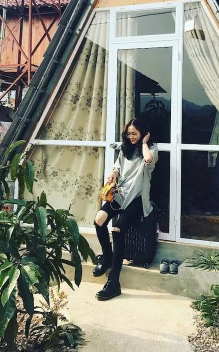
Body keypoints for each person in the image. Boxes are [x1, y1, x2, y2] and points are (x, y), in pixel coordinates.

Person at [93, 117, 158, 301]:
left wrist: (144, 142)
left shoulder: (151, 149)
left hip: (136, 198)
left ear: (143, 133)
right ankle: (107, 256)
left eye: (134, 133)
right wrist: (113, 173)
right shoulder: (125, 149)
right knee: (99, 220)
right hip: (120, 194)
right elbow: (117, 166)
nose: (131, 137)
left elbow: (148, 159)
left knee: (118, 230)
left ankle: (114, 282)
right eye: (128, 134)